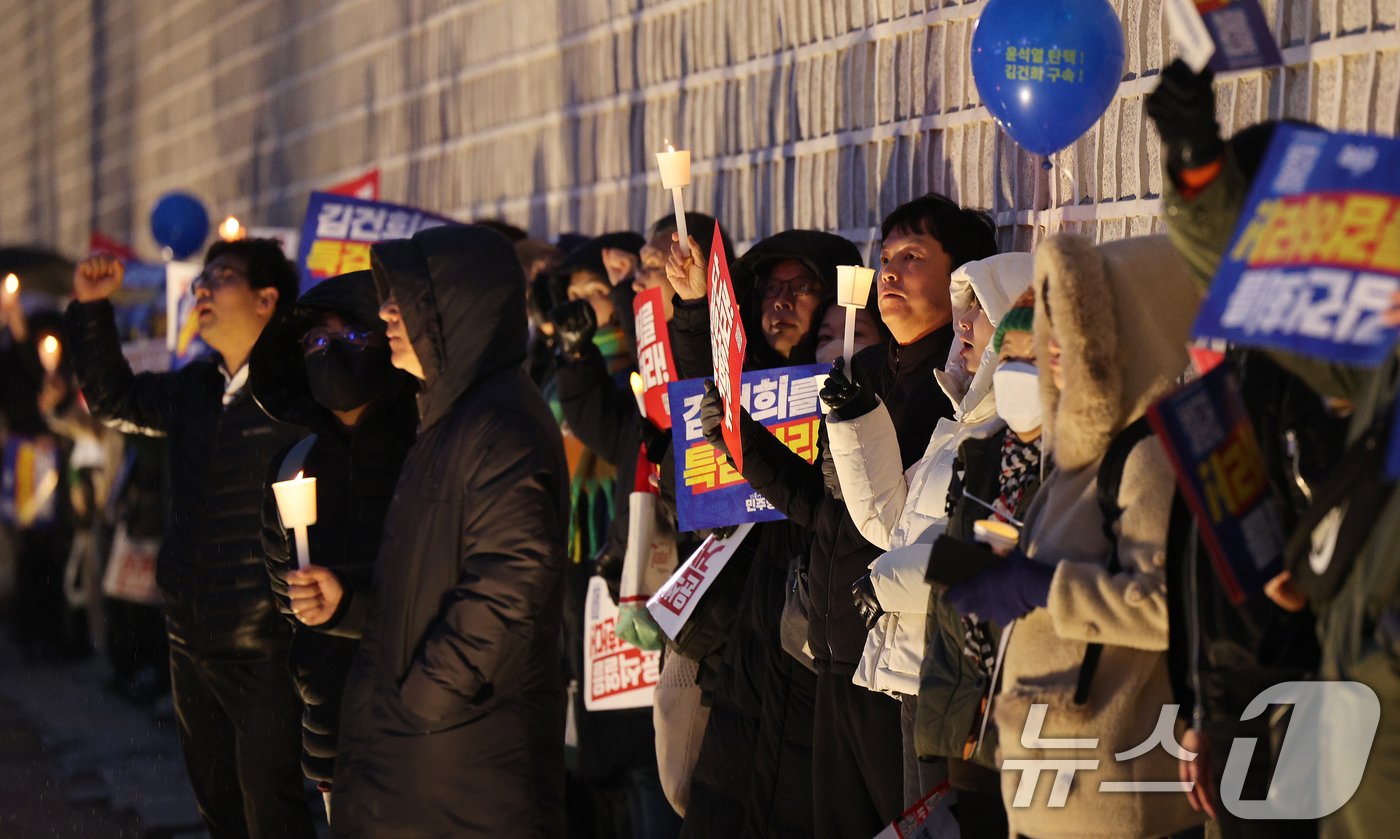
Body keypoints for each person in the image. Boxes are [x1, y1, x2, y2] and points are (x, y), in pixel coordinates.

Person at [1149, 60, 1396, 839]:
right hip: (1266, 699)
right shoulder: (1255, 371)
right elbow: (1209, 564)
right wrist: (1202, 707)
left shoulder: (1342, 366)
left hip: (1313, 700)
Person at [946, 233, 1205, 839]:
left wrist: (1044, 588)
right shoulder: (1077, 456)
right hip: (1052, 786)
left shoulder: (1148, 457)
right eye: (1050, 323)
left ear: (1127, 333)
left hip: (1110, 797)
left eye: (1078, 325)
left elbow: (1171, 609)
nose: (1053, 345)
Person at [321, 225, 569, 837]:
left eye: (404, 297)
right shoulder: (450, 418)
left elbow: (513, 577)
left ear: (453, 309)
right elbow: (430, 573)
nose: (385, 313)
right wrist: (349, 596)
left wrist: (427, 696)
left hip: (462, 762)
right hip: (430, 758)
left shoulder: (498, 425)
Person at [63, 245, 315, 839]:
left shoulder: (299, 392)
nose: (202, 290)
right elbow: (113, 401)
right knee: (218, 811)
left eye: (221, 279)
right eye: (201, 279)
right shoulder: (196, 388)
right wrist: (91, 309)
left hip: (266, 645)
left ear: (266, 300)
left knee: (271, 810)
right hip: (190, 636)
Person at [814, 193, 1000, 807]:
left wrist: (882, 583)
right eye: (884, 256)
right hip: (902, 665)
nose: (888, 272)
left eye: (912, 256)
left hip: (958, 676)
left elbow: (977, 555)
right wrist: (850, 422)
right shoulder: (955, 419)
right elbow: (887, 522)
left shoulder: (1003, 433)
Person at [668, 226, 853, 838]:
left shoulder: (851, 398)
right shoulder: (750, 383)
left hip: (810, 657)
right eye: (771, 289)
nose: (782, 301)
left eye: (801, 288)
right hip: (741, 651)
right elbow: (709, 398)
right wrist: (696, 308)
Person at [249, 270, 418, 821]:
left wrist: (352, 599)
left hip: (424, 721)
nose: (330, 352)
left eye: (351, 337)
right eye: (316, 341)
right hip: (334, 724)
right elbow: (287, 598)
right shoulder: (293, 466)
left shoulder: (429, 447)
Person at [916, 288, 1045, 838]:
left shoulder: (1084, 468)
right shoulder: (985, 460)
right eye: (1009, 357)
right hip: (971, 724)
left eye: (1034, 358)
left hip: (1042, 732)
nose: (1017, 373)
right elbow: (945, 613)